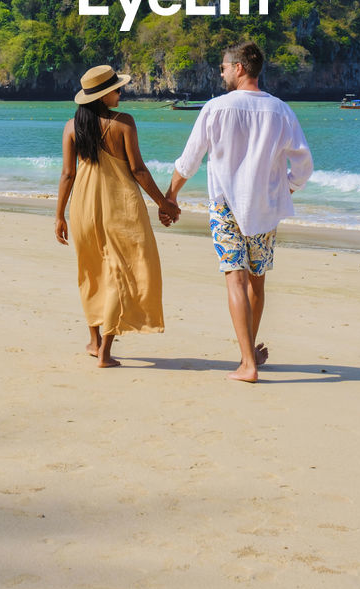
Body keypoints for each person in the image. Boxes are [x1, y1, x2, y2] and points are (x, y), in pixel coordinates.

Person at [167, 42, 313, 383]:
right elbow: (304, 165)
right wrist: (286, 188)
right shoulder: (281, 111)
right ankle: (247, 358)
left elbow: (189, 160)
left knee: (235, 278)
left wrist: (170, 196)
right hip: (264, 207)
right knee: (257, 282)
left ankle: (248, 362)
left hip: (225, 205)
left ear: (240, 69)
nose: (221, 72)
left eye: (223, 67)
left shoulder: (215, 109)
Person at [55, 64, 180, 368]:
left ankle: (95, 340)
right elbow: (137, 170)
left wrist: (59, 215)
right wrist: (163, 203)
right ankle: (105, 352)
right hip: (120, 207)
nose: (120, 93)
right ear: (102, 95)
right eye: (116, 89)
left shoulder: (72, 127)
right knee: (119, 273)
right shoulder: (124, 123)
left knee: (92, 271)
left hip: (83, 206)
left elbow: (67, 174)